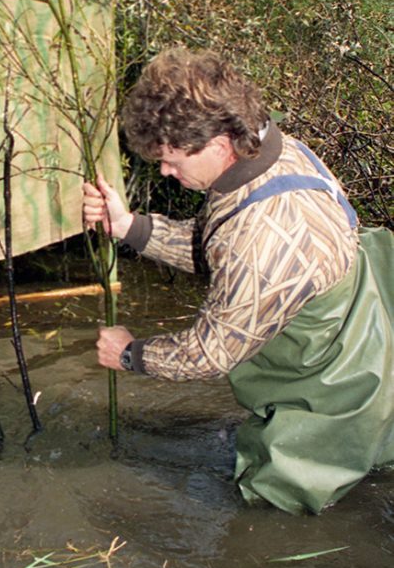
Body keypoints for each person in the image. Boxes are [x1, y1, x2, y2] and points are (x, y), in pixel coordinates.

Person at [83, 47, 394, 514]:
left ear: (219, 144)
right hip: (362, 329)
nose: (165, 172)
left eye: (172, 161)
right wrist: (129, 227)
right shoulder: (270, 150)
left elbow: (210, 353)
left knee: (274, 513)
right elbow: (219, 244)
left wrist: (130, 354)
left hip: (335, 388)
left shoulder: (266, 239)